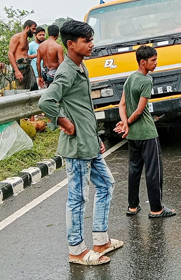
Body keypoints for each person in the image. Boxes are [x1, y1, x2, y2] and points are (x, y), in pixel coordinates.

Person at [38, 20, 123, 266]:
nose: (91, 44)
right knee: (77, 198)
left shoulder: (81, 67)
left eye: (91, 39)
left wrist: (95, 135)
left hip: (88, 142)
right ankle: (76, 250)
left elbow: (85, 107)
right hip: (76, 146)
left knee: (107, 184)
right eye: (86, 41)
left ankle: (100, 240)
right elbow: (47, 102)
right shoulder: (66, 71)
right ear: (71, 44)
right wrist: (65, 123)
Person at [114, 45, 176, 219]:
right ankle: (156, 209)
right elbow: (140, 111)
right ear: (143, 62)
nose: (156, 63)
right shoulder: (146, 80)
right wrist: (128, 123)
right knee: (153, 172)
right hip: (147, 133)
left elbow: (122, 105)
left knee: (134, 170)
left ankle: (132, 207)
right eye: (153, 60)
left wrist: (125, 124)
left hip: (133, 135)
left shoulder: (130, 78)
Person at [8, 20, 37, 89]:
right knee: (21, 90)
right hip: (19, 67)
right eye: (33, 28)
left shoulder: (27, 40)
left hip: (27, 66)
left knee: (31, 88)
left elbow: (26, 56)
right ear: (27, 27)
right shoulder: (17, 37)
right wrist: (16, 71)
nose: (35, 31)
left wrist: (38, 54)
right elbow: (10, 54)